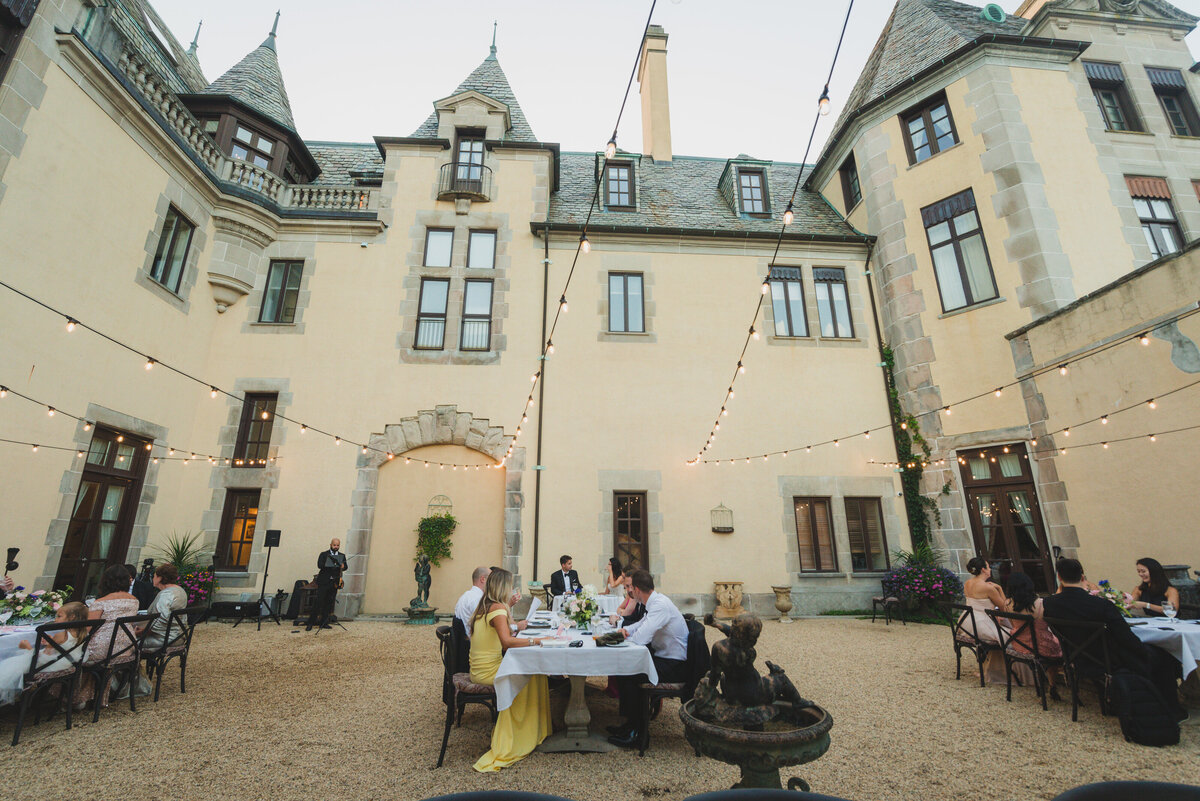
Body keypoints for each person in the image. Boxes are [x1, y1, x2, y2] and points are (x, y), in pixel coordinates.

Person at [1042, 558, 1184, 721]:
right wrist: (1142, 652)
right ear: (1082, 577)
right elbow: (1125, 637)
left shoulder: (1050, 604)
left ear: (1059, 578)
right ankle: (1171, 709)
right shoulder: (1100, 605)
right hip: (1109, 660)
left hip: (1077, 658)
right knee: (1164, 656)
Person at [467, 568, 550, 772]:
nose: (512, 589)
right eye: (510, 585)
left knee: (535, 672)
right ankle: (523, 733)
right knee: (535, 673)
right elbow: (507, 642)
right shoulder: (497, 608)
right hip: (488, 671)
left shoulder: (486, 606)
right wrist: (536, 641)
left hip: (479, 668)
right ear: (503, 587)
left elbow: (509, 629)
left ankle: (533, 729)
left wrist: (509, 607)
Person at [608, 569, 689, 748]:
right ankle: (630, 724)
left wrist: (626, 635)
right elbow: (641, 624)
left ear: (637, 589)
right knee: (624, 669)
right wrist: (625, 630)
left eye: (630, 588)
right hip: (665, 658)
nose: (629, 592)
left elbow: (642, 638)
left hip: (674, 665)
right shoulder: (654, 602)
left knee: (630, 673)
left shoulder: (659, 605)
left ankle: (637, 733)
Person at [0, 601, 89, 704]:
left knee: (11, 662)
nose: (55, 619)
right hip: (68, 663)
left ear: (72, 617)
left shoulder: (61, 635)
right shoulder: (83, 633)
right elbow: (63, 647)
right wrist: (51, 643)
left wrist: (27, 647)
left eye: (59, 616)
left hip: (52, 664)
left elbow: (44, 656)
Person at [76, 564, 140, 707]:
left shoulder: (100, 603)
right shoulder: (134, 601)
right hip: (125, 647)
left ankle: (74, 697)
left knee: (71, 649)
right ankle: (89, 694)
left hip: (102, 650)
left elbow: (87, 630)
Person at [1005, 571, 1062, 698]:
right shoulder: (1040, 603)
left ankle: (1046, 682)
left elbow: (1012, 624)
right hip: (1041, 646)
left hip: (1019, 644)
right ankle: (1053, 684)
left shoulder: (1008, 603)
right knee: (1059, 646)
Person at [957, 556, 1008, 685]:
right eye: (988, 566)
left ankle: (991, 668)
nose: (990, 569)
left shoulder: (968, 583)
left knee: (1003, 630)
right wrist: (1000, 589)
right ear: (984, 570)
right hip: (980, 623)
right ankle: (1002, 671)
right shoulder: (988, 588)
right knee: (1009, 635)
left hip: (966, 622)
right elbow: (1004, 607)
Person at [306, 538, 347, 631]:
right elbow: (319, 565)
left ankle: (324, 622)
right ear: (330, 545)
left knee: (329, 603)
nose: (336, 547)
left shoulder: (342, 556)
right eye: (334, 545)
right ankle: (310, 623)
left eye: (337, 545)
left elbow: (345, 567)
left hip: (334, 583)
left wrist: (343, 567)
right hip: (324, 582)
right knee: (318, 602)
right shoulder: (324, 554)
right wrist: (330, 564)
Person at [455, 566, 490, 639]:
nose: (493, 583)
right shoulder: (478, 599)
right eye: (491, 580)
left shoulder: (466, 595)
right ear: (483, 579)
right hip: (472, 643)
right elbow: (484, 627)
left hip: (463, 640)